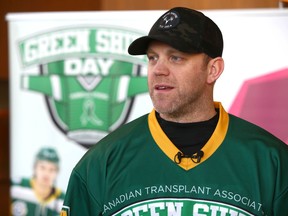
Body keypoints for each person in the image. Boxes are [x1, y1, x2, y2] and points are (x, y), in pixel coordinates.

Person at [61, 7, 288, 216]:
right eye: (152, 58)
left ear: (213, 70)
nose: (158, 70)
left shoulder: (273, 161)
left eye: (176, 57)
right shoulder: (99, 163)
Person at [11, 147, 65, 216]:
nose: (46, 173)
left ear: (57, 172)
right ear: (34, 167)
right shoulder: (16, 186)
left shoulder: (63, 200)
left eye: (52, 169)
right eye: (42, 167)